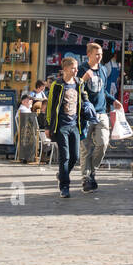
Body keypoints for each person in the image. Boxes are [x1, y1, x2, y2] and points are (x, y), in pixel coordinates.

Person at [44, 57, 86, 198]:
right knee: (65, 156)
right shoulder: (57, 85)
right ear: (66, 69)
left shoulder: (79, 83)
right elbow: (50, 106)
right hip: (61, 126)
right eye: (74, 68)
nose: (76, 70)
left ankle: (62, 174)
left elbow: (83, 99)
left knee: (75, 156)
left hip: (75, 125)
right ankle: (64, 186)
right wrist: (48, 126)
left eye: (77, 68)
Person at [78, 42, 116, 193]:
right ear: (89, 54)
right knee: (85, 148)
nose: (100, 57)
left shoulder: (103, 70)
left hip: (101, 113)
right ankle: (86, 178)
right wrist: (83, 79)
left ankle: (92, 170)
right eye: (97, 54)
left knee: (103, 143)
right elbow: (74, 90)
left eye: (101, 54)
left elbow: (103, 91)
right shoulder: (81, 69)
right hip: (85, 114)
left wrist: (113, 100)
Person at [14, 93, 39, 164]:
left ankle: (39, 156)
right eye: (29, 101)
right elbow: (31, 122)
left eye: (31, 101)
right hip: (25, 133)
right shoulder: (23, 110)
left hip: (25, 132)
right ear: (23, 102)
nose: (31, 103)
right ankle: (34, 157)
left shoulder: (26, 109)